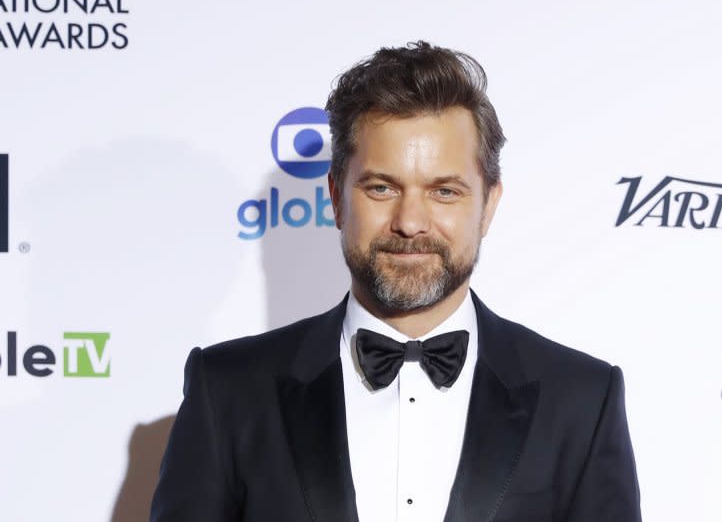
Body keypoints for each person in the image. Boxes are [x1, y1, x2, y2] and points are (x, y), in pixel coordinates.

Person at [150, 40, 641, 522]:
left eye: (444, 191)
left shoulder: (581, 400)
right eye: (382, 187)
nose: (410, 221)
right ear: (337, 196)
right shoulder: (229, 391)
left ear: (488, 205)